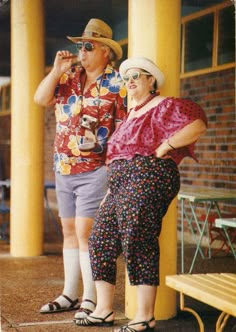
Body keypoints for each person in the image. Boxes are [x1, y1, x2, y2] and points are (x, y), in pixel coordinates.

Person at [74, 56, 207, 331]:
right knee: (99, 239)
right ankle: (103, 310)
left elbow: (197, 124)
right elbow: (116, 157)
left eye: (137, 75)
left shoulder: (164, 105)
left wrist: (165, 146)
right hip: (120, 184)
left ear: (151, 80)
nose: (130, 81)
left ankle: (145, 316)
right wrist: (109, 191)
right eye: (127, 78)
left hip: (149, 174)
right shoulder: (127, 117)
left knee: (137, 235)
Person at [34, 18, 127, 319]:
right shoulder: (69, 76)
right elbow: (40, 98)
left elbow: (125, 128)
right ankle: (69, 293)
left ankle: (90, 298)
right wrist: (55, 71)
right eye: (79, 46)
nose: (81, 51)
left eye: (88, 46)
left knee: (87, 232)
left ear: (105, 52)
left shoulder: (117, 83)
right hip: (64, 165)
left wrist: (115, 170)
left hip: (96, 168)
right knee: (68, 231)